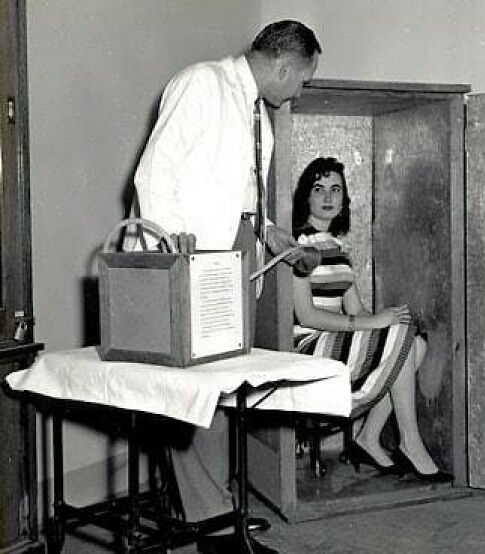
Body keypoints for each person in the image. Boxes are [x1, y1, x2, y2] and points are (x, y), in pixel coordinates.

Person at [128, 20, 322, 551]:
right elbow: (152, 176)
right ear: (285, 65)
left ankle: (218, 515)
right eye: (303, 80)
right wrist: (173, 256)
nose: (299, 91)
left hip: (232, 260)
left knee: (221, 392)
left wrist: (271, 233)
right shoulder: (201, 84)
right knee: (198, 393)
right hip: (188, 262)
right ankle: (214, 523)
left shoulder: (258, 112)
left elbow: (241, 200)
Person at [291, 157, 452, 482]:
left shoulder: (338, 249)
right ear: (306, 197)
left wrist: (386, 319)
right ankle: (411, 442)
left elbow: (357, 310)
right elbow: (305, 314)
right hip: (306, 346)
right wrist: (375, 324)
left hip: (336, 340)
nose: (327, 197)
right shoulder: (297, 246)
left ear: (344, 198)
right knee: (399, 337)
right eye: (318, 189)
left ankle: (368, 437)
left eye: (335, 189)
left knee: (415, 345)